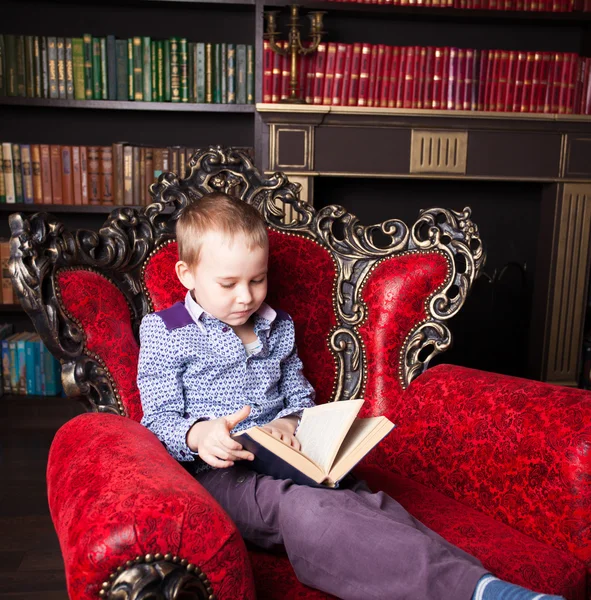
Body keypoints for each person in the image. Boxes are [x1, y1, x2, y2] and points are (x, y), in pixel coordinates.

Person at [137, 192, 564, 600]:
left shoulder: (275, 324)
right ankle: (470, 592)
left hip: (291, 455)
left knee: (365, 498)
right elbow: (156, 418)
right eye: (228, 284)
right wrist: (200, 435)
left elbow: (299, 396)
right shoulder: (165, 330)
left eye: (258, 279)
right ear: (186, 275)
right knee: (308, 510)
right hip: (222, 472)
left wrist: (288, 424)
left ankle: (483, 586)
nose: (246, 296)